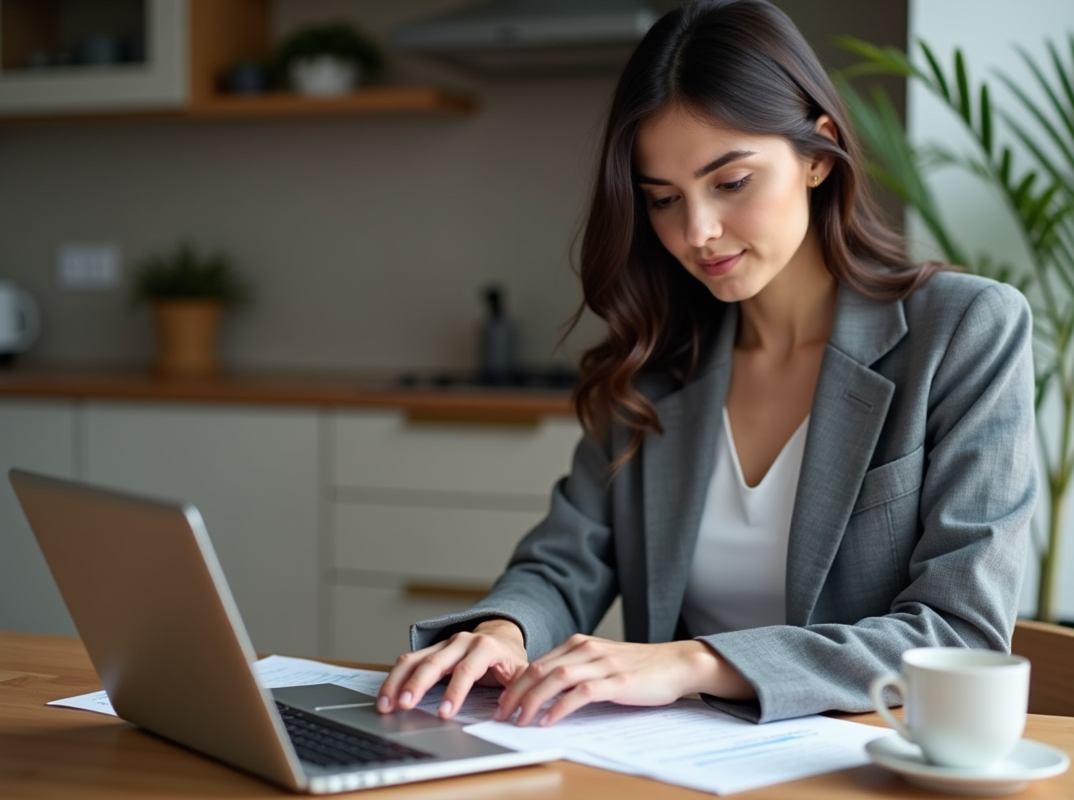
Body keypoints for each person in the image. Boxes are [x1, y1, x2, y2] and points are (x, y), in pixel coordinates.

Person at [376, 0, 1036, 727]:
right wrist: (503, 632)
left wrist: (694, 660)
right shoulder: (656, 358)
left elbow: (958, 630)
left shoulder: (963, 329)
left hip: (860, 763)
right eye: (662, 200)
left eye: (730, 183)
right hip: (674, 766)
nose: (697, 232)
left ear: (817, 155)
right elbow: (564, 565)